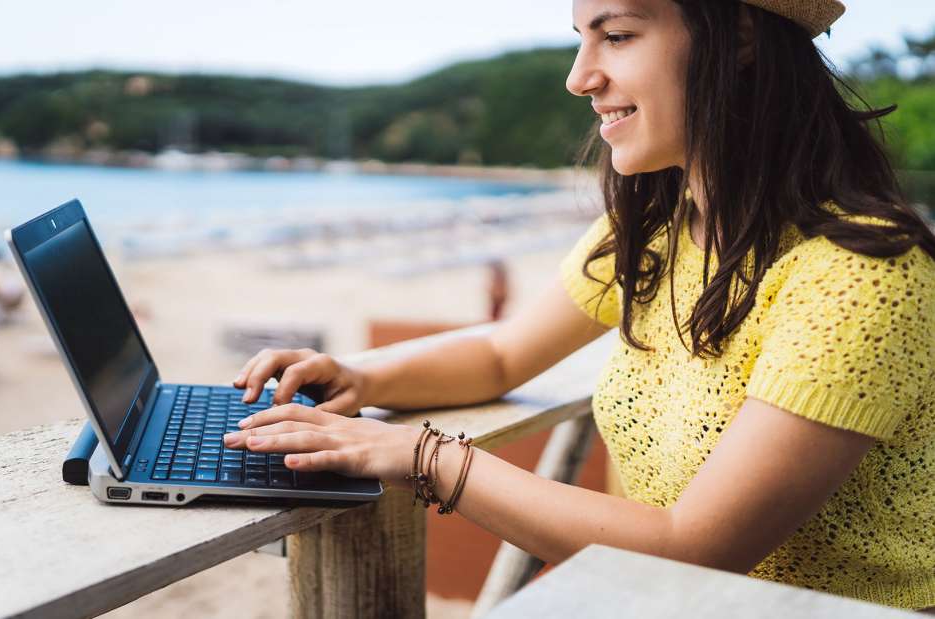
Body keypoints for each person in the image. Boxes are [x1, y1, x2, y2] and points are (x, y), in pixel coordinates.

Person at [223, 0, 935, 611]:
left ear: (741, 38)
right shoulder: (655, 228)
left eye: (617, 35)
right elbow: (504, 351)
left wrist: (424, 456)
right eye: (580, 38)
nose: (579, 77)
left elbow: (694, 546)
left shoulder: (862, 274)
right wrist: (357, 375)